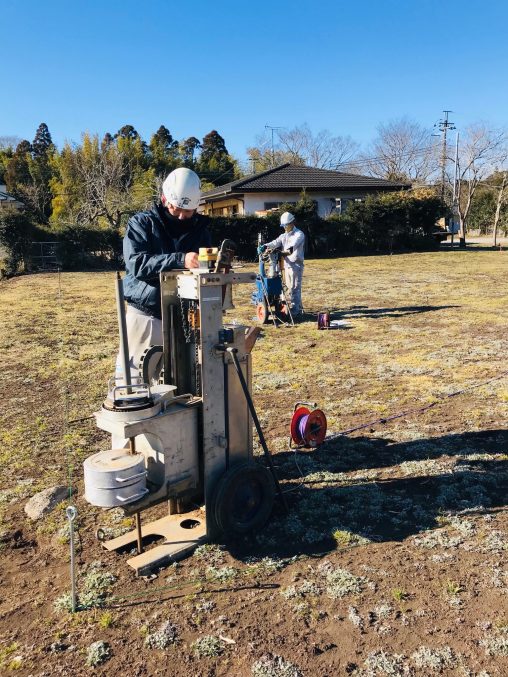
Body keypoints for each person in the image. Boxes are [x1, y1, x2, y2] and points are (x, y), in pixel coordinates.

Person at [117, 167, 211, 381]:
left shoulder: (200, 231)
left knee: (181, 384)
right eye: (176, 209)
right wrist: (180, 260)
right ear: (163, 199)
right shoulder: (142, 224)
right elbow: (137, 264)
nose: (181, 216)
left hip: (185, 319)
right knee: (134, 383)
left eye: (188, 212)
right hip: (146, 315)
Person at [261, 211, 305, 315]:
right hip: (286, 265)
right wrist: (265, 246)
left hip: (296, 265)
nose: (284, 227)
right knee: (287, 288)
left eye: (286, 225)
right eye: (283, 226)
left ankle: (295, 312)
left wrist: (279, 252)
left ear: (292, 223)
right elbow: (275, 242)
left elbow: (291, 249)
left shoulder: (299, 234)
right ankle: (292, 308)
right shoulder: (284, 235)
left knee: (295, 288)